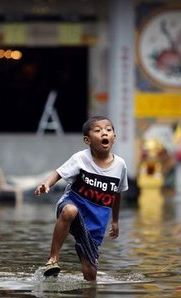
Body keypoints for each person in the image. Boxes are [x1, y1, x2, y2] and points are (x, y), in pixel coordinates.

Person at [34, 115, 128, 281]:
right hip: (72, 205)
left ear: (114, 137)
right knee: (70, 211)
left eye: (108, 130)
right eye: (98, 131)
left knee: (91, 274)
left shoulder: (120, 165)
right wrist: (47, 184)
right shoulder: (81, 158)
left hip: (95, 222)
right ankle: (53, 259)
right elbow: (59, 172)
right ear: (87, 140)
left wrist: (115, 221)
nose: (104, 133)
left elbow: (117, 193)